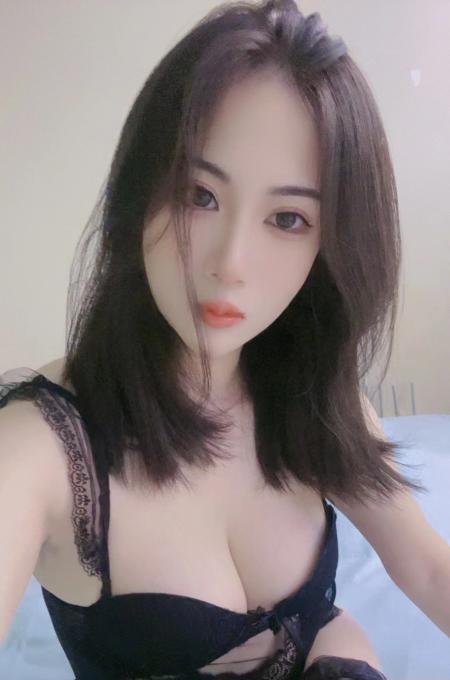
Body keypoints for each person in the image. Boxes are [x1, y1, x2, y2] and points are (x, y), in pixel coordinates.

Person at [1, 1, 449, 678]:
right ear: (141, 192)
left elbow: (429, 568)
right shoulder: (41, 452)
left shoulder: (312, 396)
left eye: (288, 218)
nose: (230, 263)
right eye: (199, 195)